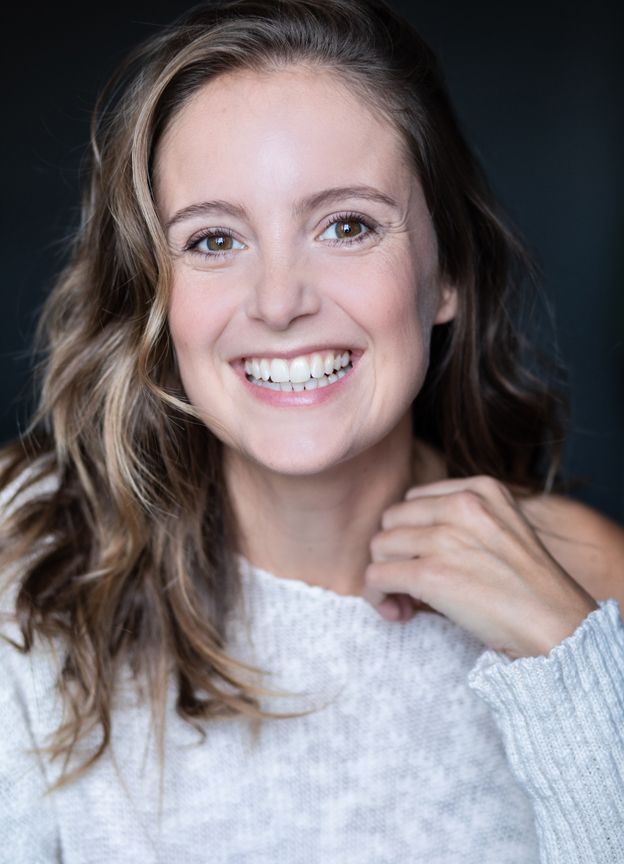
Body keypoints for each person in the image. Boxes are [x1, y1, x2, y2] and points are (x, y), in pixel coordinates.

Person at [1, 0, 623, 860]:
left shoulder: (591, 585)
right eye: (213, 240)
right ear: (153, 292)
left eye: (347, 226)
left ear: (447, 272)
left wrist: (570, 665)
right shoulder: (27, 556)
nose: (279, 300)